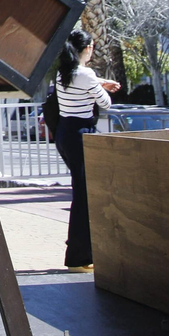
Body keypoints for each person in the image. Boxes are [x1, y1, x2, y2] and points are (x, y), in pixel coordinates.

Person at [52, 29, 119, 273]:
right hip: (81, 134)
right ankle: (79, 257)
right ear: (88, 48)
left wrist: (98, 82)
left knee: (81, 191)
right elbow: (105, 103)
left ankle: (79, 252)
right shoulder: (86, 73)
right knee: (84, 195)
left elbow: (83, 81)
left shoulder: (64, 73)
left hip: (64, 133)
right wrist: (101, 85)